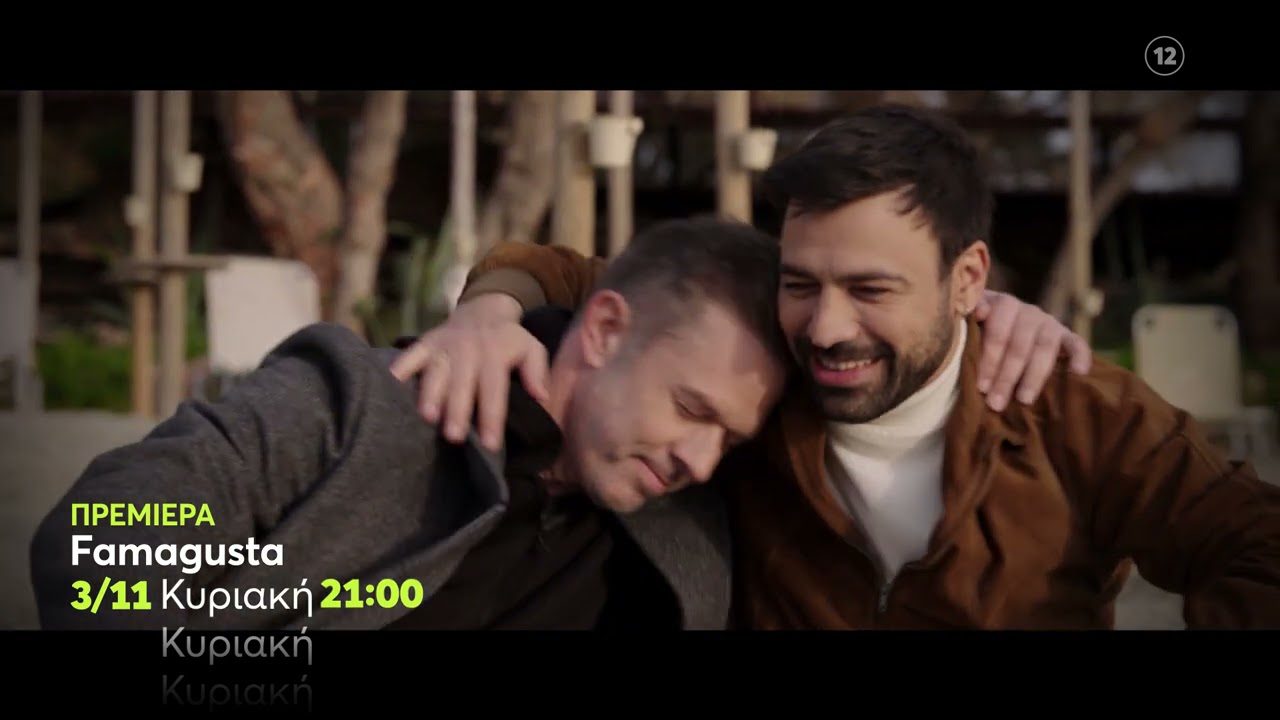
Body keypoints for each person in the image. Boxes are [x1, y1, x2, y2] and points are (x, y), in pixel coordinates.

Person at [396, 104, 1280, 628]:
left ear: (967, 280)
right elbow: (571, 276)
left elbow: (1255, 543)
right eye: (801, 283)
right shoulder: (758, 371)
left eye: (870, 289)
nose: (825, 328)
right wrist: (488, 313)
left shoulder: (1072, 409)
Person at [30, 218, 790, 630]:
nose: (701, 459)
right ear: (606, 331)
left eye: (730, 438)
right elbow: (95, 543)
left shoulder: (691, 539)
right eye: (691, 409)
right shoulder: (367, 405)